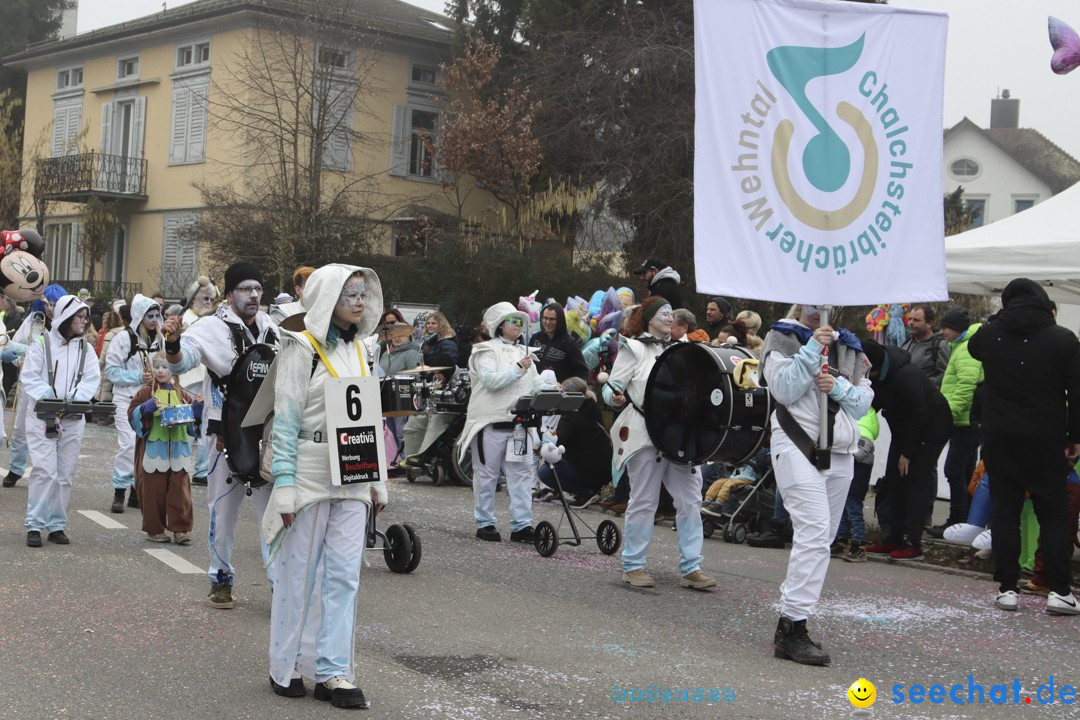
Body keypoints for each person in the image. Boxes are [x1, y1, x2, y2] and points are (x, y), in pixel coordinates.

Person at [262, 264, 384, 709]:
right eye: (349, 293)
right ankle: (285, 665)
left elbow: (367, 415)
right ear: (327, 296)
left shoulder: (364, 349)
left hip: (354, 470)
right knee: (298, 575)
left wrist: (378, 480)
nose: (359, 301)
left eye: (363, 294)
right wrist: (287, 483)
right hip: (310, 470)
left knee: (344, 577)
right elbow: (288, 416)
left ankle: (334, 671)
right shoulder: (299, 346)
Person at [163, 261, 280, 609]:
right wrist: (172, 344)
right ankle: (221, 578)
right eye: (245, 288)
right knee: (223, 514)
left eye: (257, 288)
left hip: (267, 437)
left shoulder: (271, 328)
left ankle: (279, 583)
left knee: (272, 516)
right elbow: (183, 363)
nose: (254, 295)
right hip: (224, 436)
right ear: (229, 295)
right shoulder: (210, 328)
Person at [760, 304, 872, 665]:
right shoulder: (782, 336)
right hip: (797, 444)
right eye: (811, 301)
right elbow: (783, 388)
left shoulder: (850, 345)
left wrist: (837, 385)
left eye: (825, 303)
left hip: (839, 452)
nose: (819, 308)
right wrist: (811, 351)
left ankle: (792, 623)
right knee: (813, 533)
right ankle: (793, 626)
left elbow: (862, 404)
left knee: (821, 541)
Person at [968, 278, 1080, 615]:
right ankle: (1060, 590)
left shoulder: (991, 334)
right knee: (1054, 514)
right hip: (1046, 436)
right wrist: (1074, 436)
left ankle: (1006, 588)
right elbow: (1076, 393)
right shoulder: (1063, 339)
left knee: (1005, 511)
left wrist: (996, 320)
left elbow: (974, 348)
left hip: (1000, 435)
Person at [603, 297, 715, 590]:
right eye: (663, 313)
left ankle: (692, 566)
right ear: (649, 318)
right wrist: (613, 397)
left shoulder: (684, 349)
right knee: (644, 500)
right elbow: (613, 385)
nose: (669, 317)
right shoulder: (634, 348)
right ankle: (633, 564)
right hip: (646, 431)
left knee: (691, 499)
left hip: (680, 434)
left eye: (671, 313)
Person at [460, 302, 554, 543]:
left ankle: (522, 525)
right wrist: (518, 368)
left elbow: (534, 385)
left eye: (521, 321)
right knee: (487, 475)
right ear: (500, 325)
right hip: (489, 423)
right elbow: (491, 381)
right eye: (513, 321)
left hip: (518, 425)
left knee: (522, 475)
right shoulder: (484, 351)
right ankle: (485, 522)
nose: (519, 325)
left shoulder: (525, 353)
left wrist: (554, 388)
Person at [860, 340, 952, 561]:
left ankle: (914, 543)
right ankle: (893, 538)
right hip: (904, 429)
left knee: (915, 481)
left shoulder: (905, 375)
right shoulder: (878, 376)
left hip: (930, 428)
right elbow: (870, 404)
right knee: (894, 479)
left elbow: (920, 414)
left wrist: (908, 453)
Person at [22, 295, 100, 547]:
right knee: (45, 470)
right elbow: (30, 377)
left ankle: (56, 525)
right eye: (79, 316)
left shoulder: (86, 349)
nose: (84, 321)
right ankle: (34, 525)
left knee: (66, 473)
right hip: (42, 416)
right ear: (66, 317)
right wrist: (51, 400)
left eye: (85, 316)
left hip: (72, 417)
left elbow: (91, 378)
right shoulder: (41, 345)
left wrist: (76, 400)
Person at [129, 352, 202, 544]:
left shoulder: (183, 393)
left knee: (180, 490)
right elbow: (133, 415)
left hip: (178, 451)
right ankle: (154, 529)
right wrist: (145, 409)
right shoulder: (145, 392)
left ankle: (181, 529)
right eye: (157, 367)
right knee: (153, 490)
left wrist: (197, 411)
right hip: (154, 451)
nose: (161, 371)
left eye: (166, 367)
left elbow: (192, 425)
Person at [3, 283, 67, 488]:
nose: (51, 308)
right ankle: (15, 469)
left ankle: (54, 470)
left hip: (57, 385)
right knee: (21, 427)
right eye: (48, 304)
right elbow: (15, 346)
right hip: (30, 383)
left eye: (55, 304)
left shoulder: (68, 324)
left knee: (58, 429)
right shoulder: (33, 321)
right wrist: (17, 361)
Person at [104, 294, 163, 513]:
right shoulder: (123, 339)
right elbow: (111, 371)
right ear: (140, 316)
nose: (155, 319)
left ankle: (136, 491)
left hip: (152, 401)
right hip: (127, 400)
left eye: (157, 315)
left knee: (146, 447)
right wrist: (139, 377)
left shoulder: (160, 340)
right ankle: (119, 490)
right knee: (129, 445)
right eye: (150, 315)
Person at [930, 307, 983, 537]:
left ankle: (956, 519)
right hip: (965, 420)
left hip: (964, 421)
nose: (942, 332)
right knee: (966, 472)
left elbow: (966, 387)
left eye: (945, 328)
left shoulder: (966, 350)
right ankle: (968, 519)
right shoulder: (961, 346)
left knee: (953, 469)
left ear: (957, 329)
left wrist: (947, 414)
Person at [535, 376, 612, 508]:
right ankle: (585, 489)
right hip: (603, 468)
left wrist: (539, 433)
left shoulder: (572, 415)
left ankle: (585, 492)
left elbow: (557, 441)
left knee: (544, 472)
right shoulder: (591, 408)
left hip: (588, 470)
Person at [180, 276, 220, 486]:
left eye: (210, 300)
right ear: (193, 299)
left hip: (205, 379)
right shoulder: (185, 320)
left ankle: (202, 469)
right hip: (187, 381)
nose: (208, 303)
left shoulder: (209, 320)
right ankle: (180, 467)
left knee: (207, 425)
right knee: (185, 423)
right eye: (204, 298)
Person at [378, 321, 422, 457]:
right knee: (388, 433)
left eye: (401, 335)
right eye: (394, 335)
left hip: (402, 400)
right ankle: (393, 460)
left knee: (400, 431)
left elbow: (417, 377)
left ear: (409, 336)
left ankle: (405, 459)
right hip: (386, 400)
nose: (397, 338)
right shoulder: (386, 354)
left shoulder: (411, 353)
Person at [530, 303, 587, 382]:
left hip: (558, 392)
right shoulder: (535, 338)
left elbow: (582, 371)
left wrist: (567, 387)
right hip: (534, 389)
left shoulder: (570, 343)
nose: (547, 322)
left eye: (552, 319)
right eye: (545, 318)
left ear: (560, 320)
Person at [901, 306, 949, 389]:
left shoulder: (939, 345)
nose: (911, 323)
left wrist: (924, 383)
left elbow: (947, 374)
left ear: (929, 324)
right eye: (910, 319)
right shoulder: (906, 343)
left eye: (916, 320)